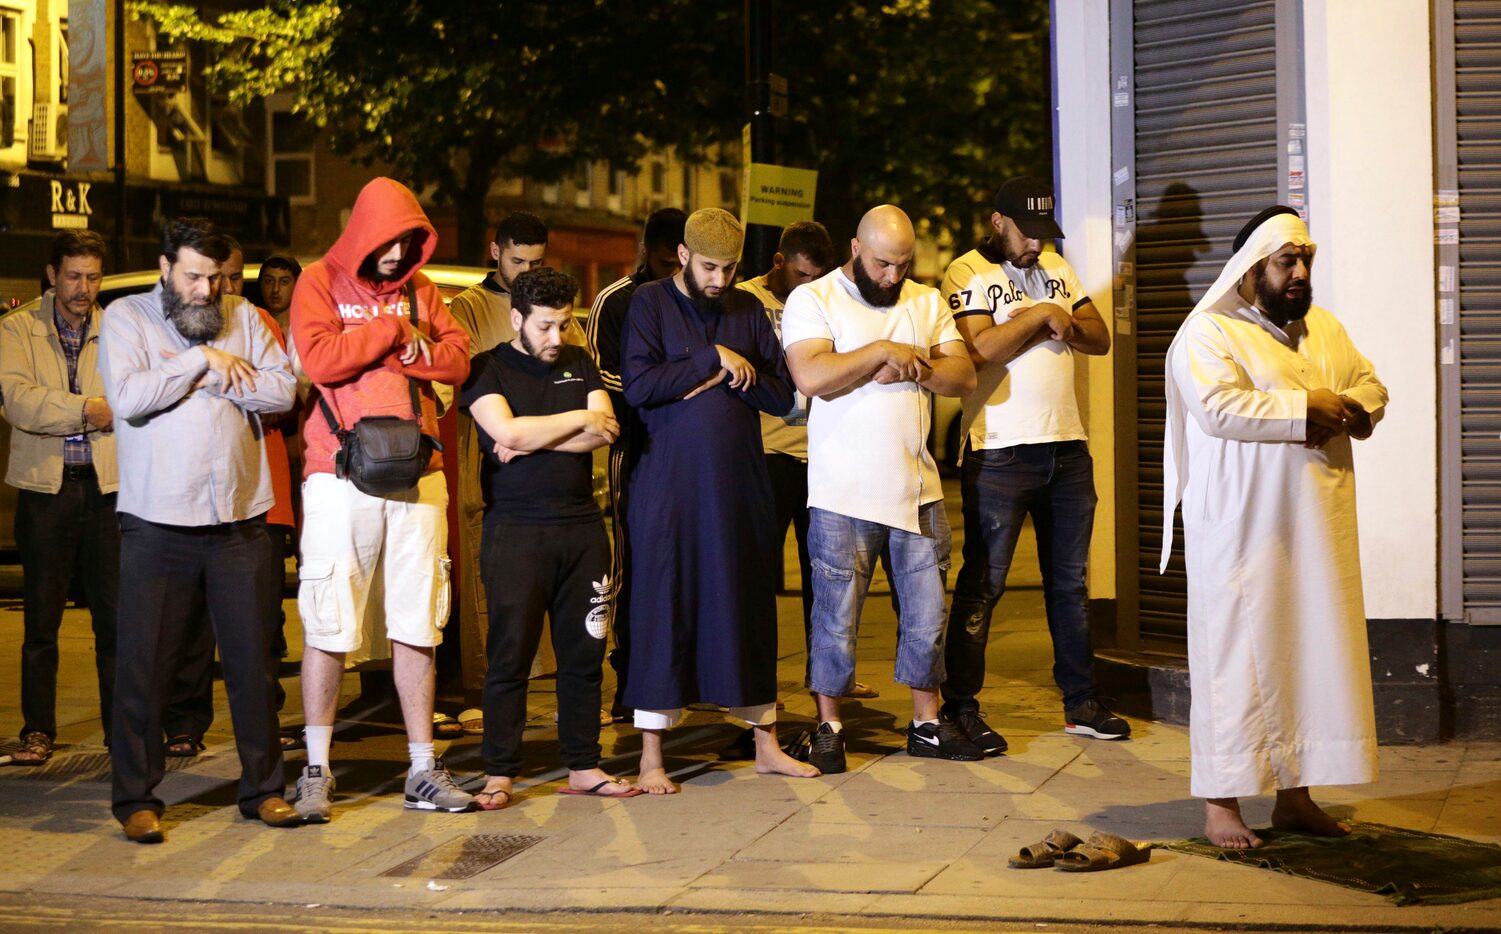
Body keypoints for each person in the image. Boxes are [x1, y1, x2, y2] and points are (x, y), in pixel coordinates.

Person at [1162, 206, 1387, 849]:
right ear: (1252, 267)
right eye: (1286, 261)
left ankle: (1296, 798)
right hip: (1241, 532)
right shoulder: (1209, 333)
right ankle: (1221, 806)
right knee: (1236, 662)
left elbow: (1368, 385)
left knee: (1309, 655)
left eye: (1305, 260)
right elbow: (1217, 407)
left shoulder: (1323, 330)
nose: (1299, 272)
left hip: (1314, 525)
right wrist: (1305, 406)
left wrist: (1354, 411)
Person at [100, 217, 300, 843]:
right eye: (193, 276)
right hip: (158, 519)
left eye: (216, 277)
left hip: (240, 516)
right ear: (166, 268)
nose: (207, 290)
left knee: (252, 665)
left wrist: (208, 376)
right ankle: (136, 796)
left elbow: (283, 392)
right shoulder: (126, 319)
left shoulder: (245, 315)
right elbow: (130, 399)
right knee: (146, 665)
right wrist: (201, 361)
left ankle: (264, 790)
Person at [290, 177, 475, 821]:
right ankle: (316, 768)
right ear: (363, 234)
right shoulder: (319, 281)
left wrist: (411, 348)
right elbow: (318, 359)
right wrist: (394, 336)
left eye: (408, 244)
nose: (397, 257)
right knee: (330, 620)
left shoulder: (424, 292)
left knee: (418, 622)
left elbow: (457, 360)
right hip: (339, 475)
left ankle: (423, 768)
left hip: (419, 476)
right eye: (388, 244)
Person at [620, 208, 820, 793]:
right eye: (710, 267)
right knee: (664, 603)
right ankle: (651, 757)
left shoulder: (746, 309)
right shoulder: (650, 304)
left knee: (747, 603)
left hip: (738, 485)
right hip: (668, 488)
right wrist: (712, 359)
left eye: (731, 268)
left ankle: (765, 743)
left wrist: (741, 373)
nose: (720, 280)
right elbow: (639, 388)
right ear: (683, 256)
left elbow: (785, 396)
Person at [782, 205, 978, 775]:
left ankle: (925, 724)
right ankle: (829, 726)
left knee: (926, 616)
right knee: (834, 617)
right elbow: (812, 376)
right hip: (842, 492)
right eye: (881, 264)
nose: (892, 276)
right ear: (854, 248)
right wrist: (882, 353)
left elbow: (962, 376)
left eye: (902, 265)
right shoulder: (813, 299)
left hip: (918, 488)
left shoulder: (925, 301)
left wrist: (909, 365)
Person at [939, 176, 1127, 755]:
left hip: (1068, 449)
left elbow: (1097, 337)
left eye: (1045, 234)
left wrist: (1058, 315)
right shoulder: (967, 272)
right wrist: (1043, 314)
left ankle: (1081, 702)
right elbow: (979, 350)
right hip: (999, 452)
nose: (1036, 245)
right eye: (1027, 233)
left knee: (1068, 585)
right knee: (984, 584)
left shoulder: (1058, 268)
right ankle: (961, 707)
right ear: (998, 222)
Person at [460, 267, 638, 808]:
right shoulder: (485, 369)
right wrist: (569, 422)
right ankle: (500, 771)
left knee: (584, 653)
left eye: (564, 325)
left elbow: (605, 430)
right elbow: (506, 432)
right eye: (544, 327)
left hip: (582, 528)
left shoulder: (579, 361)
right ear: (516, 319)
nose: (556, 339)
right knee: (509, 654)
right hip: (515, 530)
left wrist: (532, 435)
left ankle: (584, 764)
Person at [161, 239, 300, 757]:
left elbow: (283, 396)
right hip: (195, 494)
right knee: (193, 619)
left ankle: (265, 721)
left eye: (238, 277)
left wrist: (214, 380)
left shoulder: (257, 321)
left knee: (262, 623)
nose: (227, 288)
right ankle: (185, 723)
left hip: (263, 493)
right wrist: (226, 376)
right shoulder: (181, 320)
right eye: (221, 277)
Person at [0, 230, 117, 764]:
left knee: (114, 620)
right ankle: (37, 731)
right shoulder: (17, 328)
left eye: (92, 277)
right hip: (46, 492)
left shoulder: (117, 329)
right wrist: (88, 410)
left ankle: (123, 731)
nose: (83, 288)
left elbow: (133, 397)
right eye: (73, 275)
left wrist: (74, 407)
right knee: (41, 622)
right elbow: (20, 403)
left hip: (106, 489)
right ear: (52, 275)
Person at [445, 212, 549, 715]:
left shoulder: (544, 299)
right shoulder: (465, 306)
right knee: (485, 563)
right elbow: (465, 376)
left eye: (535, 261)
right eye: (517, 260)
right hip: (483, 450)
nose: (526, 270)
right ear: (495, 252)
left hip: (540, 450)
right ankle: (483, 685)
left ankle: (536, 679)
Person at [585, 207, 686, 722]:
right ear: (647, 251)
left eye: (680, 263)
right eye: (667, 261)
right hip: (638, 449)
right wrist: (669, 389)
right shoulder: (615, 300)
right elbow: (599, 375)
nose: (675, 271)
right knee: (632, 565)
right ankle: (627, 679)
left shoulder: (693, 296)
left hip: (689, 452)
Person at [258, 254, 303, 336]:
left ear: (297, 285)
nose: (275, 289)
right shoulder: (250, 328)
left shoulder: (309, 328)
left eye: (284, 282)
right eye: (269, 281)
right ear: (260, 283)